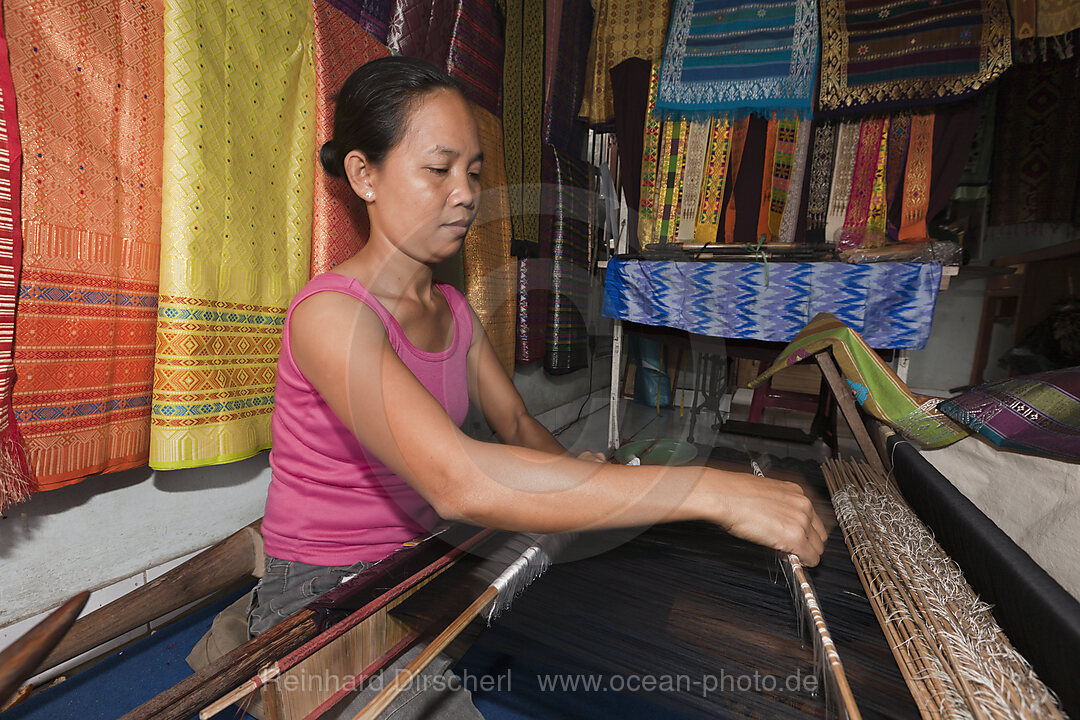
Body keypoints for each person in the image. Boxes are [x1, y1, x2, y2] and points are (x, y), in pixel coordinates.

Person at [249, 56, 827, 718]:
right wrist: (706, 489)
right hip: (334, 590)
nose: (465, 193)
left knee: (623, 587)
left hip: (432, 557)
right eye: (438, 170)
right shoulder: (331, 315)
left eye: (472, 172)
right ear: (364, 175)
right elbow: (456, 479)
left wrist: (600, 510)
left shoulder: (453, 311)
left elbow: (519, 427)